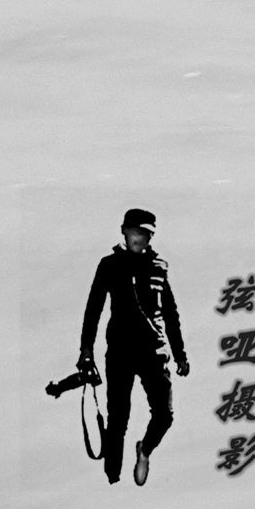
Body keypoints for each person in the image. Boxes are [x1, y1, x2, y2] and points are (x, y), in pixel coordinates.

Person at [77, 206, 184, 483]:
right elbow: (94, 308)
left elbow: (170, 313)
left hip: (154, 352)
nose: (141, 238)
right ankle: (112, 478)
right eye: (136, 232)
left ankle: (145, 449)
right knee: (117, 420)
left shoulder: (159, 267)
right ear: (124, 232)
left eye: (147, 234)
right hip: (121, 352)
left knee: (164, 415)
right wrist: (86, 350)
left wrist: (180, 353)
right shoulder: (109, 265)